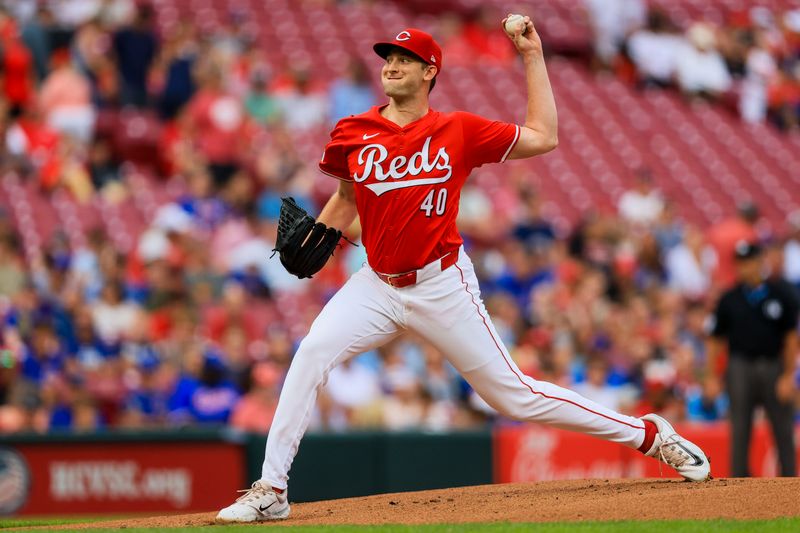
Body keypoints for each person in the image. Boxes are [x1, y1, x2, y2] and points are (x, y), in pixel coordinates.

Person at [216, 18, 710, 523]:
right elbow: (347, 200)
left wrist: (532, 56)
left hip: (441, 283)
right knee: (311, 354)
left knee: (513, 397)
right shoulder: (352, 131)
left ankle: (650, 436)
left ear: (430, 71)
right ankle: (271, 488)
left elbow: (544, 137)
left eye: (404, 60)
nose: (391, 65)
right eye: (387, 58)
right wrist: (319, 233)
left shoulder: (459, 130)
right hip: (376, 284)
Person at [706, 241, 799, 477]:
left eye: (748, 262)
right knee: (739, 428)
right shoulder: (729, 299)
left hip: (772, 366)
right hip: (740, 366)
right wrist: (712, 376)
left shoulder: (781, 295)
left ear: (760, 262)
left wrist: (789, 376)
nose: (744, 268)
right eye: (740, 263)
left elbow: (790, 339)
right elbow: (716, 341)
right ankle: (738, 484)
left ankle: (789, 483)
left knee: (782, 428)